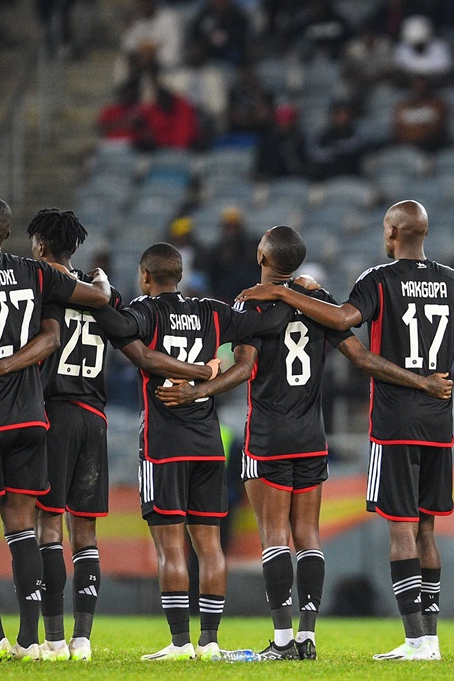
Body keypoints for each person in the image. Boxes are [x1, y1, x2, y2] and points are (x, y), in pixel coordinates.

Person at [235, 200, 454, 661]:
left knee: (400, 529)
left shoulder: (378, 280)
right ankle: (432, 639)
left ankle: (415, 640)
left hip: (395, 422)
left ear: (391, 233)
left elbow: (344, 321)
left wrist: (283, 293)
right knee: (427, 530)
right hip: (439, 423)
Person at [156, 226, 453, 660]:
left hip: (269, 434)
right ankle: (308, 637)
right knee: (308, 536)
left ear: (262, 254)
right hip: (312, 435)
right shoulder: (321, 302)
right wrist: (421, 382)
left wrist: (197, 390)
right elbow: (363, 358)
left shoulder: (251, 301)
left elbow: (242, 367)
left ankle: (281, 640)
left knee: (274, 535)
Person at [0, 209, 211, 660]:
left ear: (38, 245)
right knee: (86, 533)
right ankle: (83, 640)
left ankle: (52, 639)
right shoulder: (102, 296)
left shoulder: (38, 287)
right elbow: (138, 351)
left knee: (48, 527)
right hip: (95, 417)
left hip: (52, 413)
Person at [0, 197, 112, 661]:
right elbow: (92, 305)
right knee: (21, 528)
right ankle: (31, 640)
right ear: (7, 234)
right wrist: (102, 278)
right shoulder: (37, 274)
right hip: (32, 417)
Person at [90, 243, 294, 661]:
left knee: (170, 548)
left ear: (146, 277)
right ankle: (211, 641)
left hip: (163, 445)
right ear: (180, 276)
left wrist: (104, 292)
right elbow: (268, 326)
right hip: (208, 444)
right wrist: (283, 293)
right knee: (209, 546)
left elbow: (117, 326)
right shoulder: (213, 312)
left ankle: (180, 643)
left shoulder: (146, 311)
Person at [308, 102, 367, 180]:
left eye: (344, 115)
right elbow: (316, 153)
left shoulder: (355, 132)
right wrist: (333, 152)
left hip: (352, 176)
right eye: (339, 115)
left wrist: (339, 148)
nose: (342, 118)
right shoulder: (326, 135)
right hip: (329, 177)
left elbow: (358, 146)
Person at [393, 76, 449, 153]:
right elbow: (398, 130)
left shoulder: (437, 105)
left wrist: (418, 133)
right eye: (417, 83)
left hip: (431, 149)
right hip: (405, 149)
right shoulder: (402, 106)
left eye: (422, 83)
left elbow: (435, 131)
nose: (419, 86)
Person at [255, 104, 309, 180]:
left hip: (296, 179)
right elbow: (262, 165)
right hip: (271, 180)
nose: (283, 124)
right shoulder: (269, 140)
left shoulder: (300, 139)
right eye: (281, 120)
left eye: (287, 121)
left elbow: (303, 165)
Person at [190, 0, 249, 66]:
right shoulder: (204, 15)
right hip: (205, 62)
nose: (219, 1)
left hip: (229, 63)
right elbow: (195, 38)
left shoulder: (239, 18)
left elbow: (239, 45)